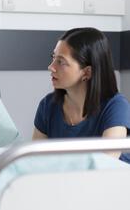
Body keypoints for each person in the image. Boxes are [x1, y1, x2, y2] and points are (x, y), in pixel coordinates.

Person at [33, 27, 130, 163]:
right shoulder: (47, 106)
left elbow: (105, 165)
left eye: (61, 62)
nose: (51, 67)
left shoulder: (116, 107)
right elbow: (35, 162)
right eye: (53, 58)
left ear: (87, 72)